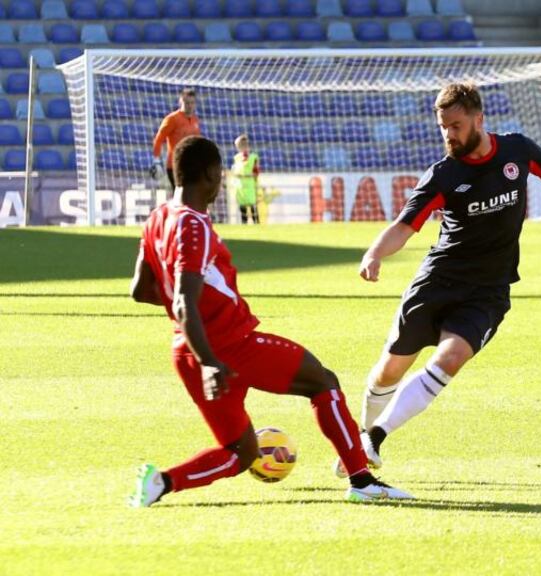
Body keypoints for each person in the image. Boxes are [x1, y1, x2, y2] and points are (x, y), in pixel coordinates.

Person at [343, 82, 541, 475]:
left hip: (488, 292)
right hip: (437, 283)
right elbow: (405, 226)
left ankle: (376, 438)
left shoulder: (517, 151)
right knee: (390, 369)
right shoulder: (444, 174)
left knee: (451, 357)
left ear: (478, 119)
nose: (448, 135)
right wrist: (373, 254)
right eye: (443, 127)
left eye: (455, 126)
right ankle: (360, 438)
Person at [128, 135, 411, 507]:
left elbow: (140, 290)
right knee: (323, 383)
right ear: (212, 174)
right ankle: (361, 479)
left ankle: (161, 482)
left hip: (186, 351)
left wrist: (198, 331)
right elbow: (183, 299)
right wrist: (212, 358)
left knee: (241, 453)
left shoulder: (157, 219)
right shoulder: (191, 225)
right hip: (229, 347)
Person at [151, 88, 201, 189]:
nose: (190, 106)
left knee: (190, 198)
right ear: (180, 102)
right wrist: (156, 160)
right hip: (175, 165)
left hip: (190, 165)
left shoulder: (195, 120)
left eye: (192, 103)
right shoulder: (172, 119)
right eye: (186, 102)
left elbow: (196, 142)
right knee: (181, 197)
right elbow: (159, 139)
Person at [231, 134, 260, 224]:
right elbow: (235, 170)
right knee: (242, 207)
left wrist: (248, 175)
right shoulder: (236, 158)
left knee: (253, 206)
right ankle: (244, 224)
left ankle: (256, 224)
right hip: (240, 186)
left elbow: (256, 172)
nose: (238, 148)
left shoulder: (253, 157)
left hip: (250, 185)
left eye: (239, 146)